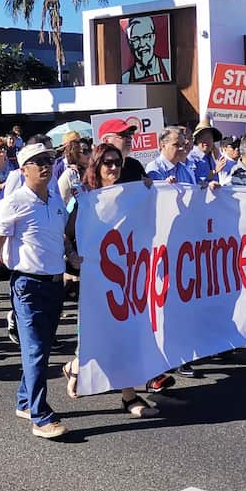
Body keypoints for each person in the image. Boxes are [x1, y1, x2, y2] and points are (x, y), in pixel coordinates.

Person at [0, 144, 76, 439]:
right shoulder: (14, 202)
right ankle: (40, 416)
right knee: (35, 350)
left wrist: (71, 253)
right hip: (27, 285)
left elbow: (61, 235)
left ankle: (25, 400)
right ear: (24, 170)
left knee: (44, 347)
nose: (45, 165)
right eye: (37, 162)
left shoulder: (56, 200)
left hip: (54, 283)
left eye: (48, 160)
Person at [63, 143, 160, 418]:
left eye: (117, 162)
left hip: (127, 276)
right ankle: (79, 367)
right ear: (96, 166)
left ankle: (127, 395)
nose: (114, 168)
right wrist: (72, 257)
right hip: (97, 278)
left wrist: (151, 192)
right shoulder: (83, 197)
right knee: (101, 335)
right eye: (108, 163)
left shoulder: (129, 195)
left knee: (125, 335)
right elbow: (66, 232)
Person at [121, 15, 171, 83]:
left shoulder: (168, 66)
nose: (142, 44)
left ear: (153, 38)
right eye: (136, 39)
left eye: (146, 36)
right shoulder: (125, 78)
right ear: (130, 43)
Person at [98, 119, 149, 183]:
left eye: (130, 134)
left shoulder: (134, 165)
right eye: (123, 134)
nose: (129, 138)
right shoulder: (96, 168)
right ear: (106, 140)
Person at [188, 120, 231, 185]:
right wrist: (215, 171)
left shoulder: (211, 156)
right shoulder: (191, 158)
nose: (206, 141)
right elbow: (194, 183)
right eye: (203, 137)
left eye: (209, 138)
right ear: (197, 140)